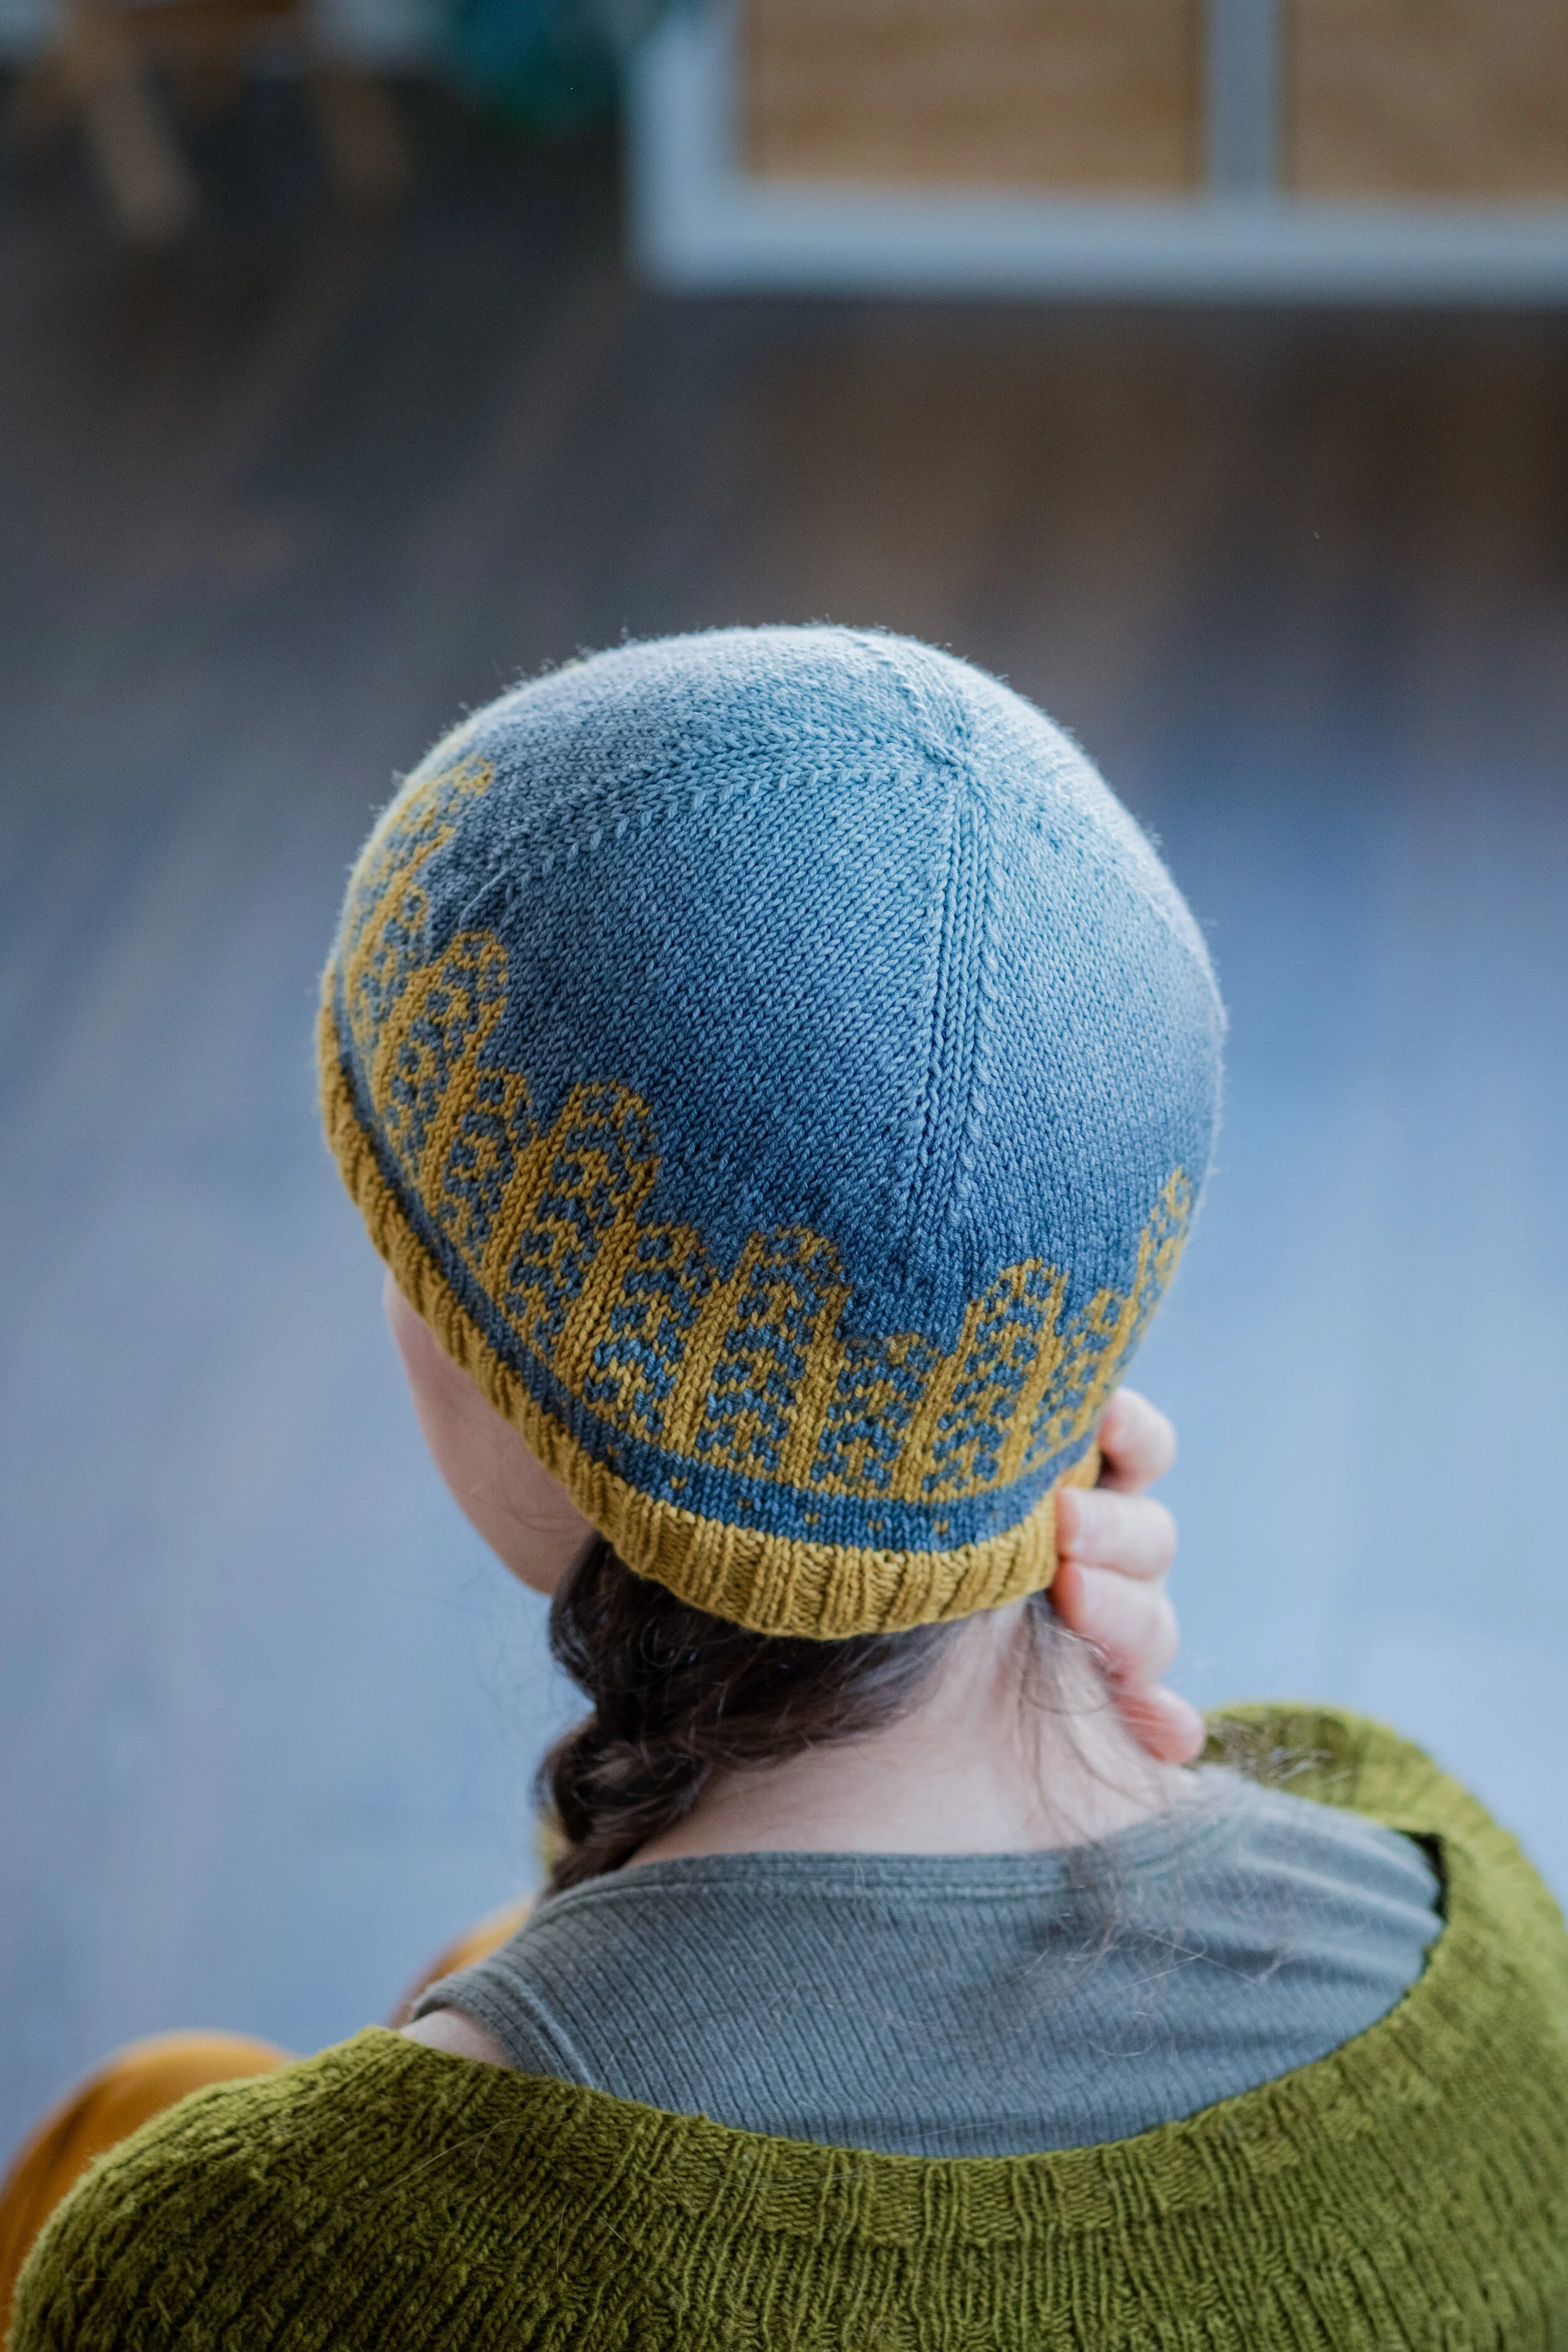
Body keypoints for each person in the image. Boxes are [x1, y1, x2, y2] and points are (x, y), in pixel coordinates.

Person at [9, 628, 1565, 2348]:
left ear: (529, 1383)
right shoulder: (1472, 1925)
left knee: (147, 2097)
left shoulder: (238, 2257)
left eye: (409, 1250)